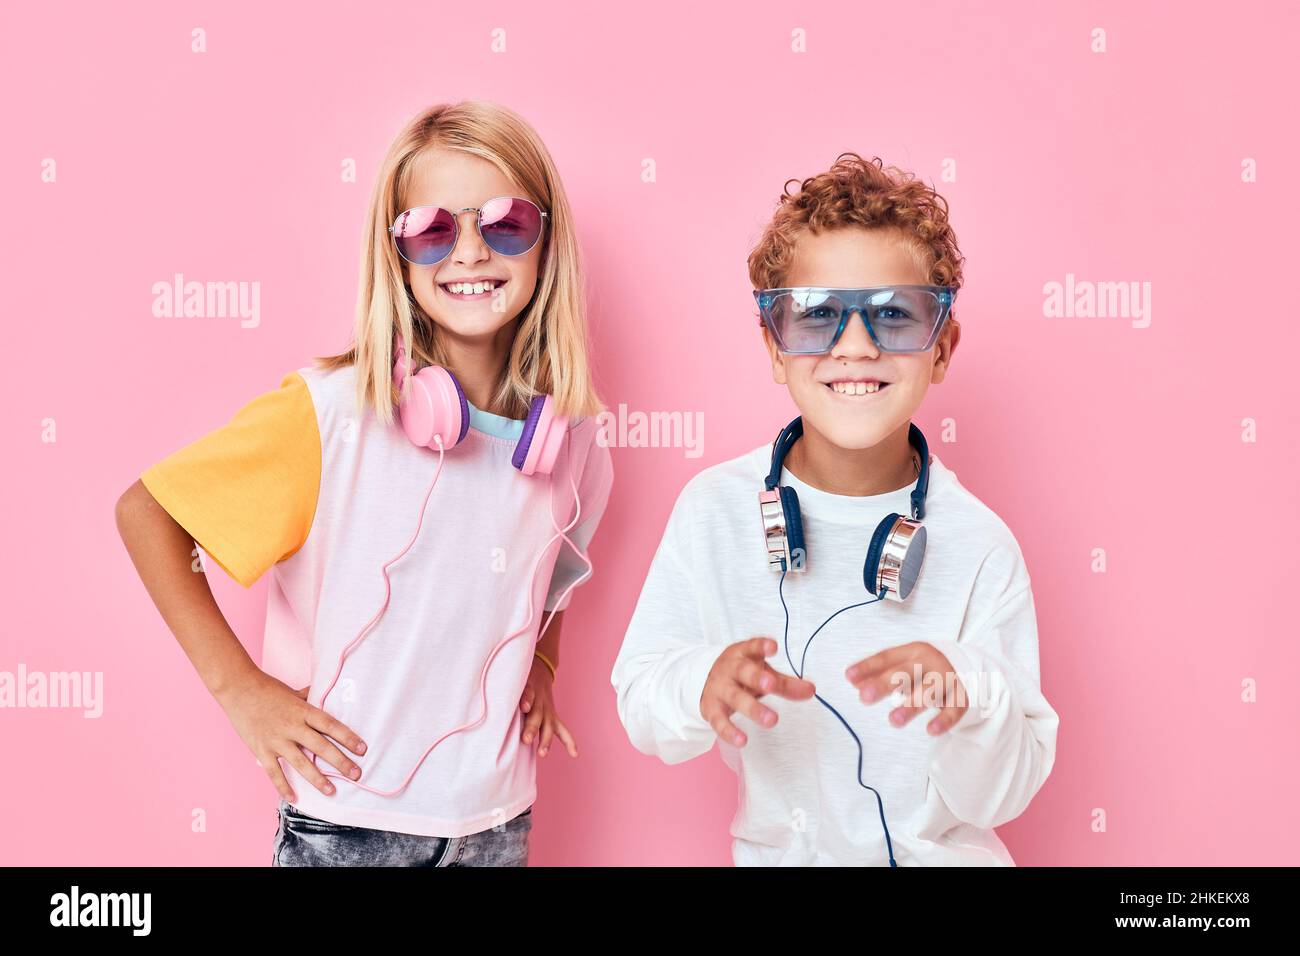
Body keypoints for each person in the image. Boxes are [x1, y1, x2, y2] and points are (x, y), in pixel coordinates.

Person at [116, 100, 614, 867]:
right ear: (396, 252)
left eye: (507, 222)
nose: (472, 253)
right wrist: (240, 690)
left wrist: (542, 668)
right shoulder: (332, 414)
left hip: (496, 821)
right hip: (345, 824)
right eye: (434, 229)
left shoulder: (565, 438)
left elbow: (554, 577)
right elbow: (147, 511)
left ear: (547, 243)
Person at [611, 153, 1058, 866]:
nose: (856, 346)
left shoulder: (980, 544)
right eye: (818, 316)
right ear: (774, 345)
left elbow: (1005, 792)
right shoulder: (715, 513)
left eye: (893, 315)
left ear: (942, 348)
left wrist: (972, 696)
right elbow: (641, 698)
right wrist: (703, 682)